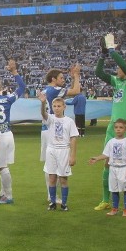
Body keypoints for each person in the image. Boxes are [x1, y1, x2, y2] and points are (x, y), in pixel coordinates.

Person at [93, 37, 126, 212]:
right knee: (107, 162)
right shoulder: (118, 82)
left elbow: (123, 66)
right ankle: (105, 200)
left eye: (119, 68)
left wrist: (112, 50)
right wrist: (103, 55)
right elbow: (99, 73)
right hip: (112, 127)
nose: (117, 70)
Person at [0, 59, 25, 204]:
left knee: (1, 167)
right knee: (4, 165)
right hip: (8, 134)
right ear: (0, 88)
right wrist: (14, 72)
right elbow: (22, 88)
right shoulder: (7, 98)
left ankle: (8, 196)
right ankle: (3, 194)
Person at [40, 64, 81, 203]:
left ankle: (50, 194)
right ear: (53, 79)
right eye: (61, 78)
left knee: (49, 165)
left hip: (46, 129)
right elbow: (76, 90)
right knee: (54, 166)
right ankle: (53, 195)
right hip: (53, 129)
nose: (63, 80)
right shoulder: (54, 90)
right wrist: (76, 75)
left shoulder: (46, 90)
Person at [90, 119, 126, 217]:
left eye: (121, 127)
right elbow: (106, 154)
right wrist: (97, 158)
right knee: (114, 189)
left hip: (123, 168)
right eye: (116, 127)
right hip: (113, 169)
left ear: (125, 129)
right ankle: (114, 209)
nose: (118, 129)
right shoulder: (111, 142)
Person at [44, 97, 79, 211]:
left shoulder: (69, 121)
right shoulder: (51, 119)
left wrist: (73, 155)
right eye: (54, 106)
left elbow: (73, 138)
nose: (56, 108)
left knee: (63, 178)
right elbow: (43, 114)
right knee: (52, 177)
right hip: (51, 150)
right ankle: (53, 202)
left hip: (64, 150)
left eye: (59, 106)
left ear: (64, 107)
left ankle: (64, 203)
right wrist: (42, 103)